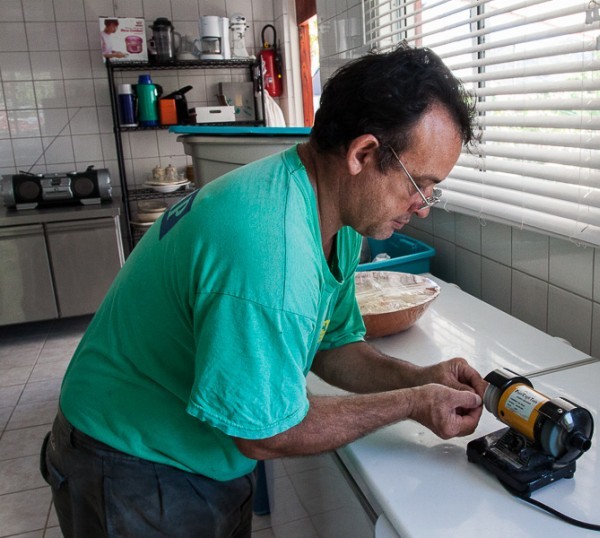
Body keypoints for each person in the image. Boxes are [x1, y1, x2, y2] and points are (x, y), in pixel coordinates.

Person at [40, 45, 485, 537]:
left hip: (195, 455)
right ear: (362, 154)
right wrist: (412, 403)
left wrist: (421, 378)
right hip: (131, 461)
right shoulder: (270, 247)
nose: (422, 207)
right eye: (418, 186)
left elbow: (333, 346)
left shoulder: (337, 214)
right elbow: (267, 433)